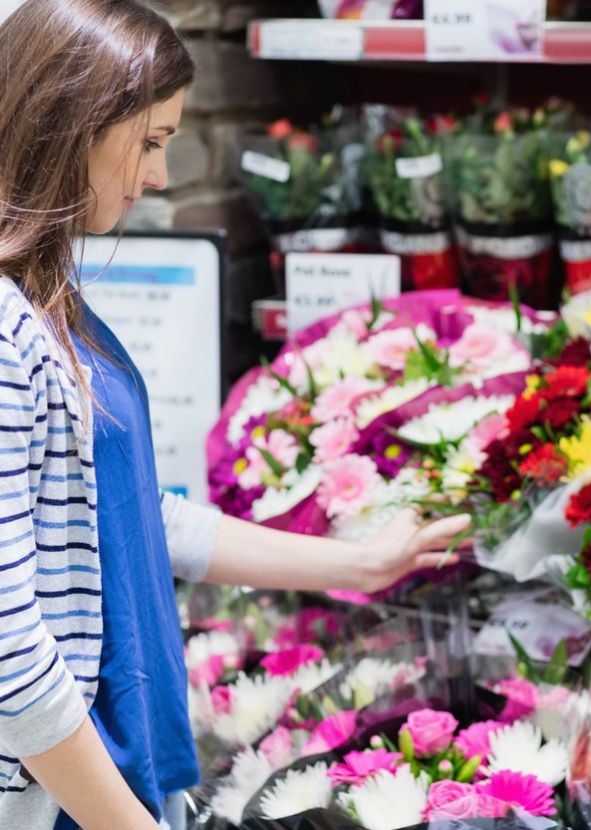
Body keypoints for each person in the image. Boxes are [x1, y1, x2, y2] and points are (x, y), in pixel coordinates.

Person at [0, 2, 469, 828]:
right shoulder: (6, 333)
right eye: (149, 141)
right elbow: (8, 653)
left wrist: (359, 565)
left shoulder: (47, 301)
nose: (159, 177)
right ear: (70, 121)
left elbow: (137, 518)